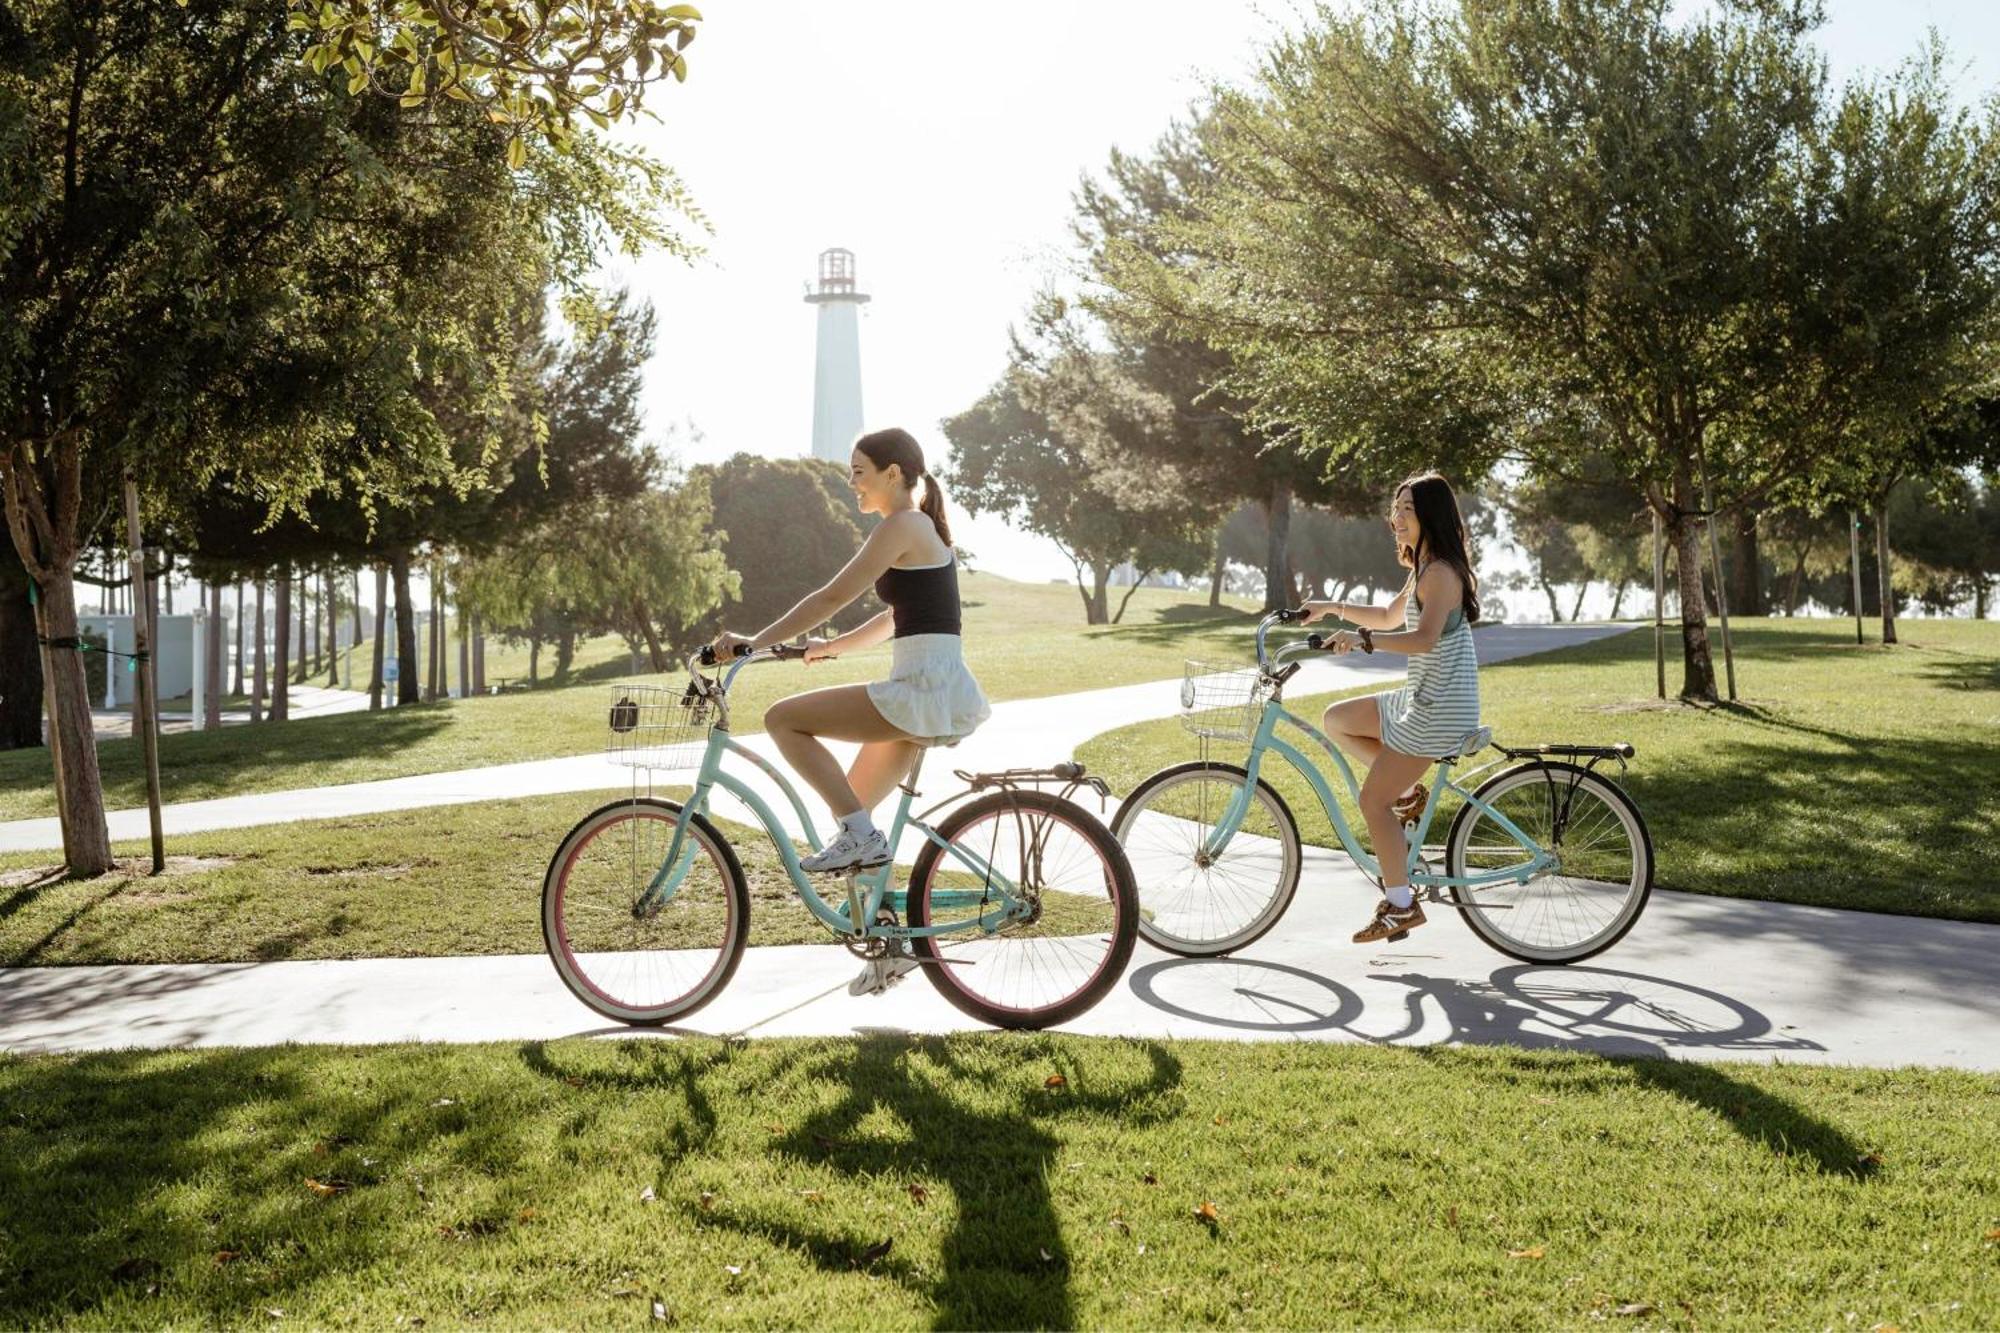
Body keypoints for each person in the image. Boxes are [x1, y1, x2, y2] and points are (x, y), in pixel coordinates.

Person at [711, 427, 991, 876]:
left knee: (782, 720)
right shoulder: (917, 528)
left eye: (859, 472)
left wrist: (752, 642)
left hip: (921, 690)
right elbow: (895, 620)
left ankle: (862, 838)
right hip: (928, 687)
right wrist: (830, 647)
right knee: (852, 813)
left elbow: (830, 598)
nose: (852, 482)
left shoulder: (903, 525)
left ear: (892, 473)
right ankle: (882, 919)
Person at [1302, 471, 1482, 944]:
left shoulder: (1442, 573)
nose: (1396, 518)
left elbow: (1423, 640)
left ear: (1430, 517)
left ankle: (1400, 904)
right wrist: (1330, 608)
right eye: (1395, 509)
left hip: (1439, 708)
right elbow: (1386, 617)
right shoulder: (1422, 569)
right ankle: (1407, 796)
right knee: (1337, 719)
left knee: (1370, 801)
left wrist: (1362, 643)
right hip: (1420, 697)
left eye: (1407, 510)